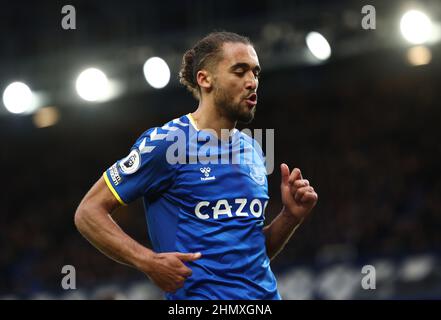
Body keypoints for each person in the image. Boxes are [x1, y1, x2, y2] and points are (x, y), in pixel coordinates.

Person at [74, 31, 318, 300]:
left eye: (255, 73)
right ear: (205, 79)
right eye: (240, 71)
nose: (252, 82)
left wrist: (290, 217)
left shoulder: (252, 150)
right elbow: (88, 211)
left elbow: (251, 255)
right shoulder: (167, 143)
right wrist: (148, 261)